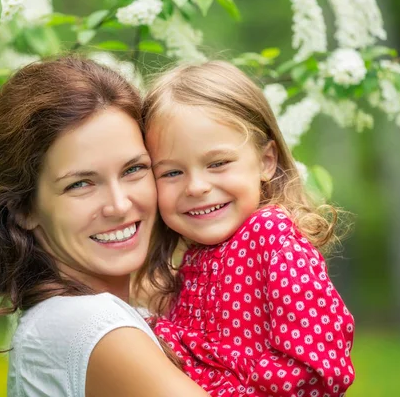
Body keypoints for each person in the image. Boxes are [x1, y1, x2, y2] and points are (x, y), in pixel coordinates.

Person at [0, 56, 207, 397]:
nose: (119, 205)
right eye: (80, 184)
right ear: (23, 208)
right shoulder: (89, 324)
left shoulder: (97, 317)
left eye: (133, 169)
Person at [136, 60, 356, 396]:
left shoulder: (272, 237)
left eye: (218, 163)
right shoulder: (195, 257)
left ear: (266, 161)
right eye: (171, 173)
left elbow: (316, 367)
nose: (196, 187)